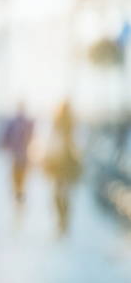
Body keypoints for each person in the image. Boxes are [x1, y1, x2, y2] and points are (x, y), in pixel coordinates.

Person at [42, 100, 82, 236]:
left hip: (61, 164)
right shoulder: (65, 124)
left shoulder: (64, 124)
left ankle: (62, 220)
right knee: (63, 194)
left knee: (59, 194)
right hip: (64, 164)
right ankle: (63, 220)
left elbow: (51, 143)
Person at [0, 105, 35, 208]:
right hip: (21, 156)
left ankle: (19, 195)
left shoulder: (15, 123)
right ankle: (19, 195)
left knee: (18, 177)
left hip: (18, 156)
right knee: (19, 177)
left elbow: (5, 137)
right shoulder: (23, 123)